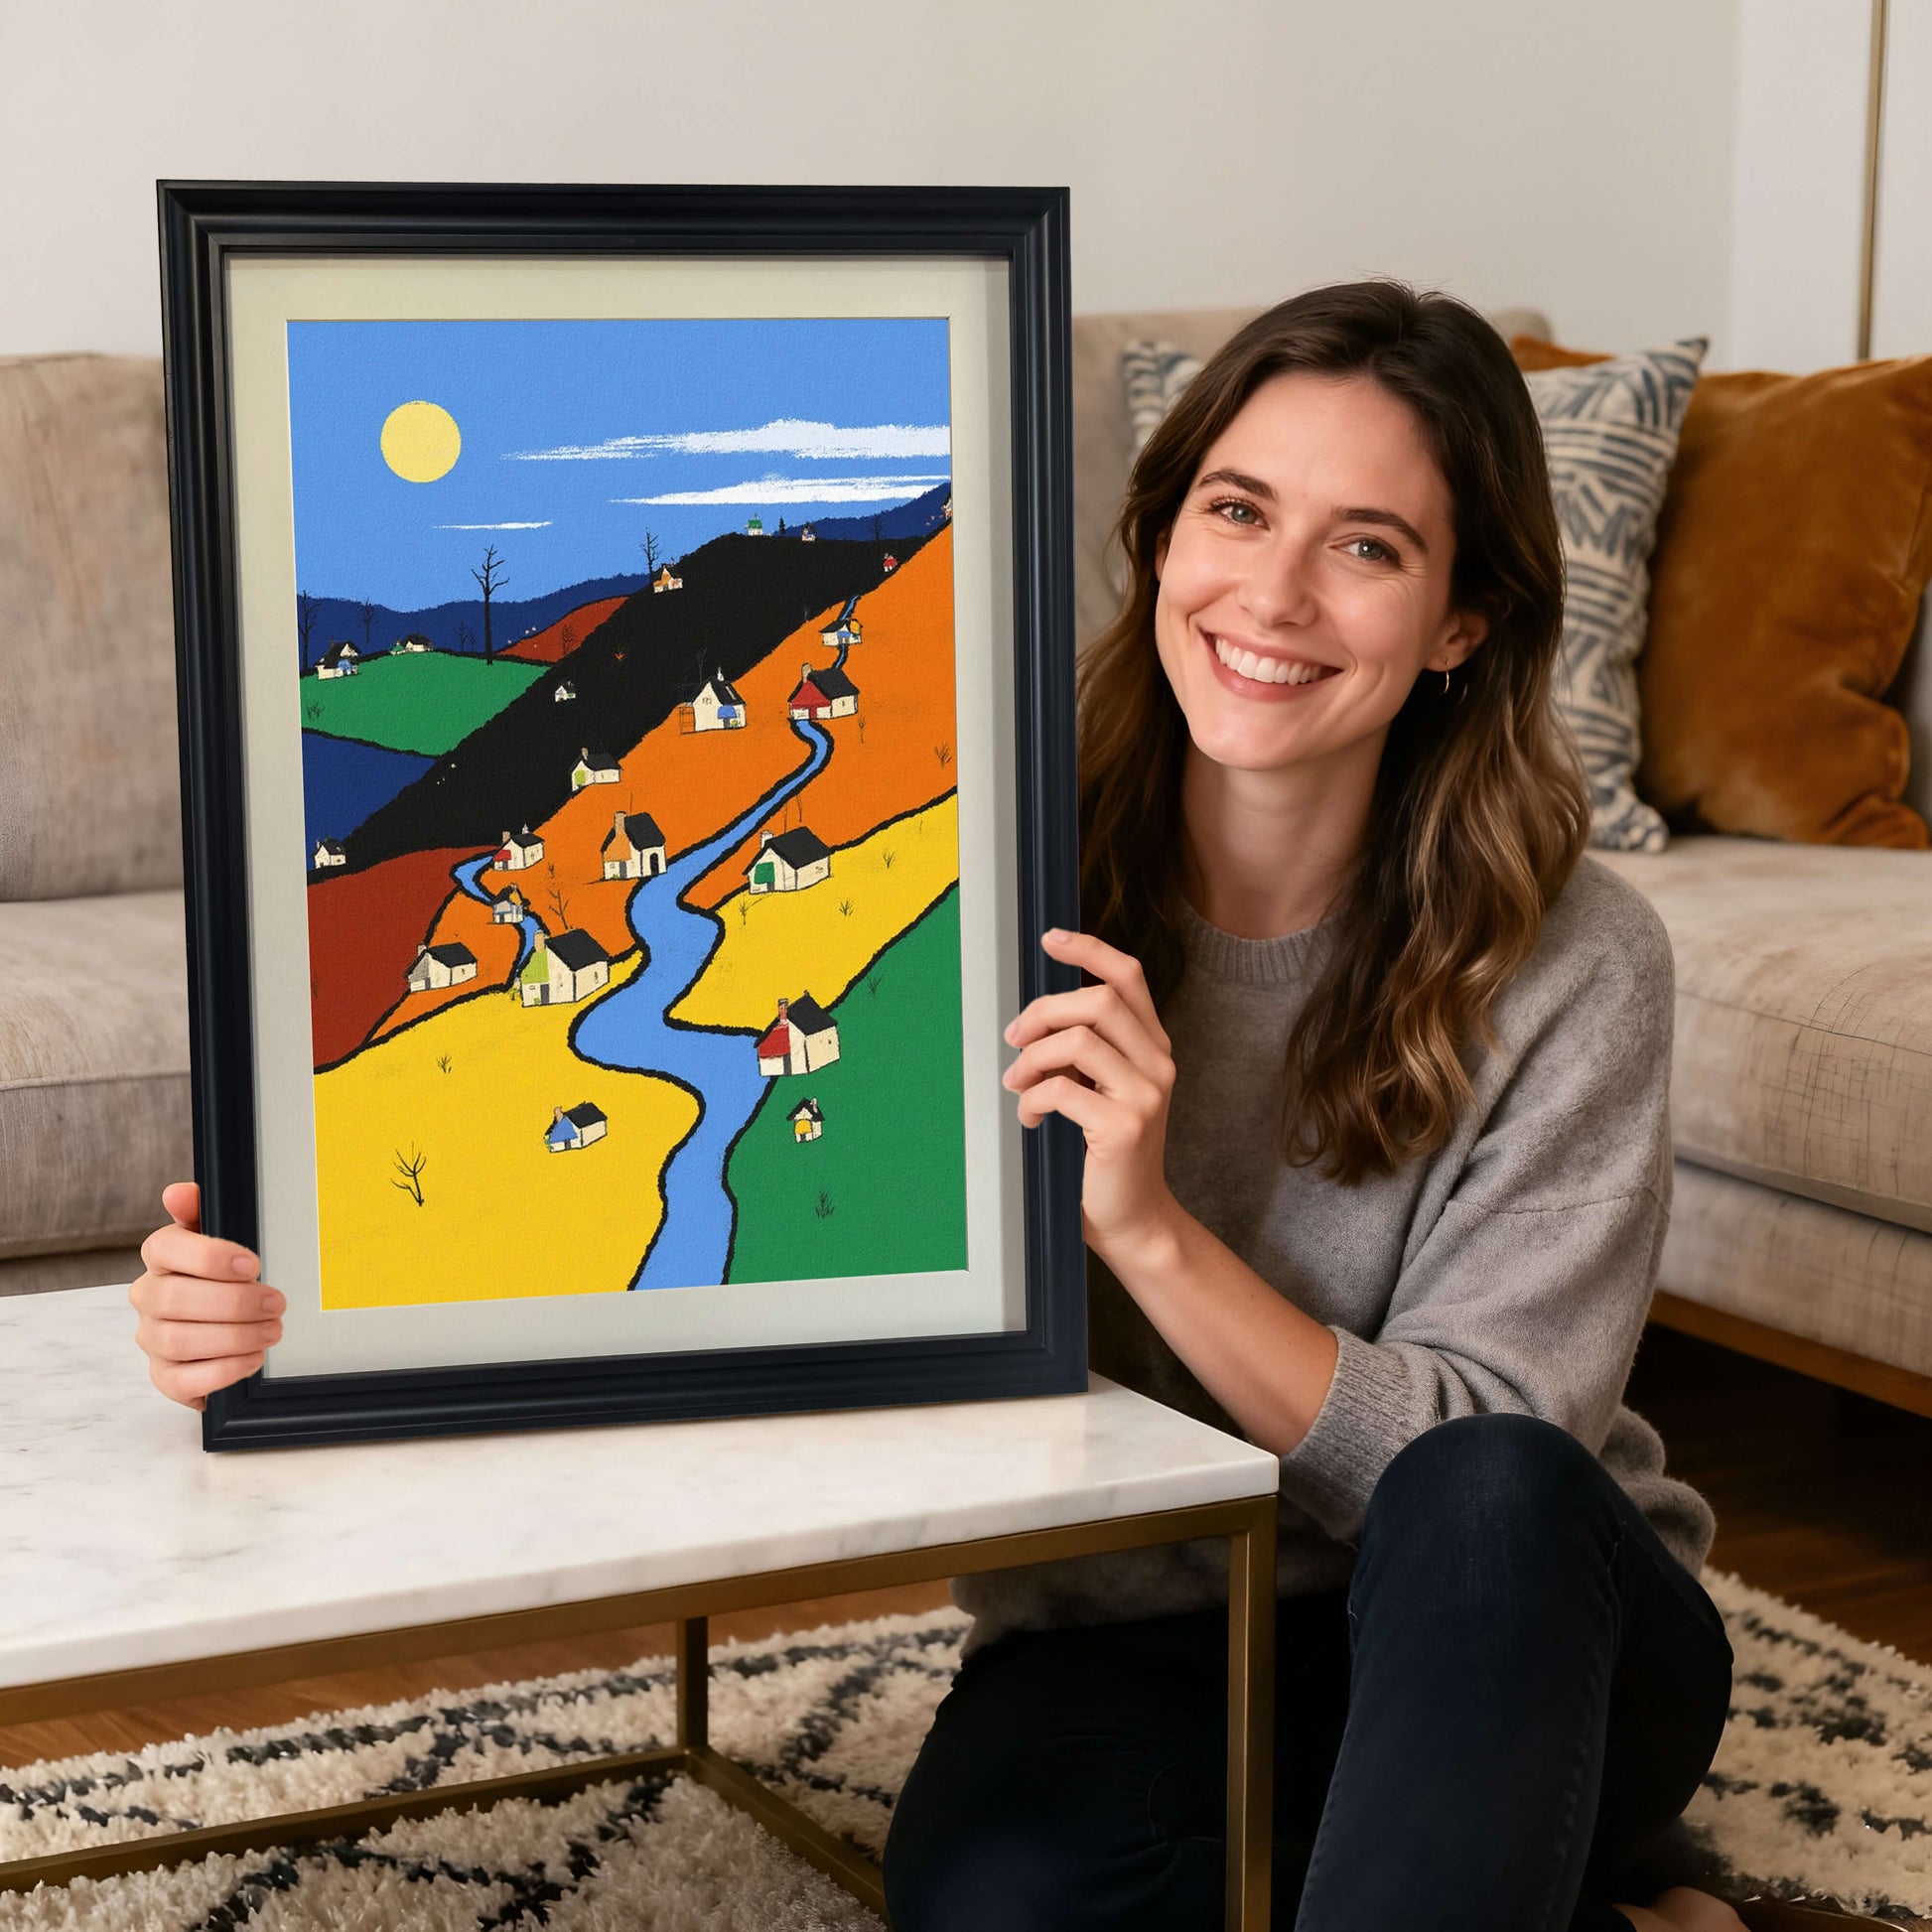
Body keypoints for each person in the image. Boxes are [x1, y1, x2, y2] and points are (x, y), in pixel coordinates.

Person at [130, 280, 1737, 1931]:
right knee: (994, 1902)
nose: (1272, 591)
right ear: (1161, 535)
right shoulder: (993, 866)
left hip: (1528, 1634)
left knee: (1488, 1483)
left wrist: (1150, 1231)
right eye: (1237, 510)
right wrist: (287, 1302)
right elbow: (670, 1255)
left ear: (1461, 620)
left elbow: (1474, 1462)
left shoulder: (1576, 960)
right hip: (1144, 1628)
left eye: (1368, 546)